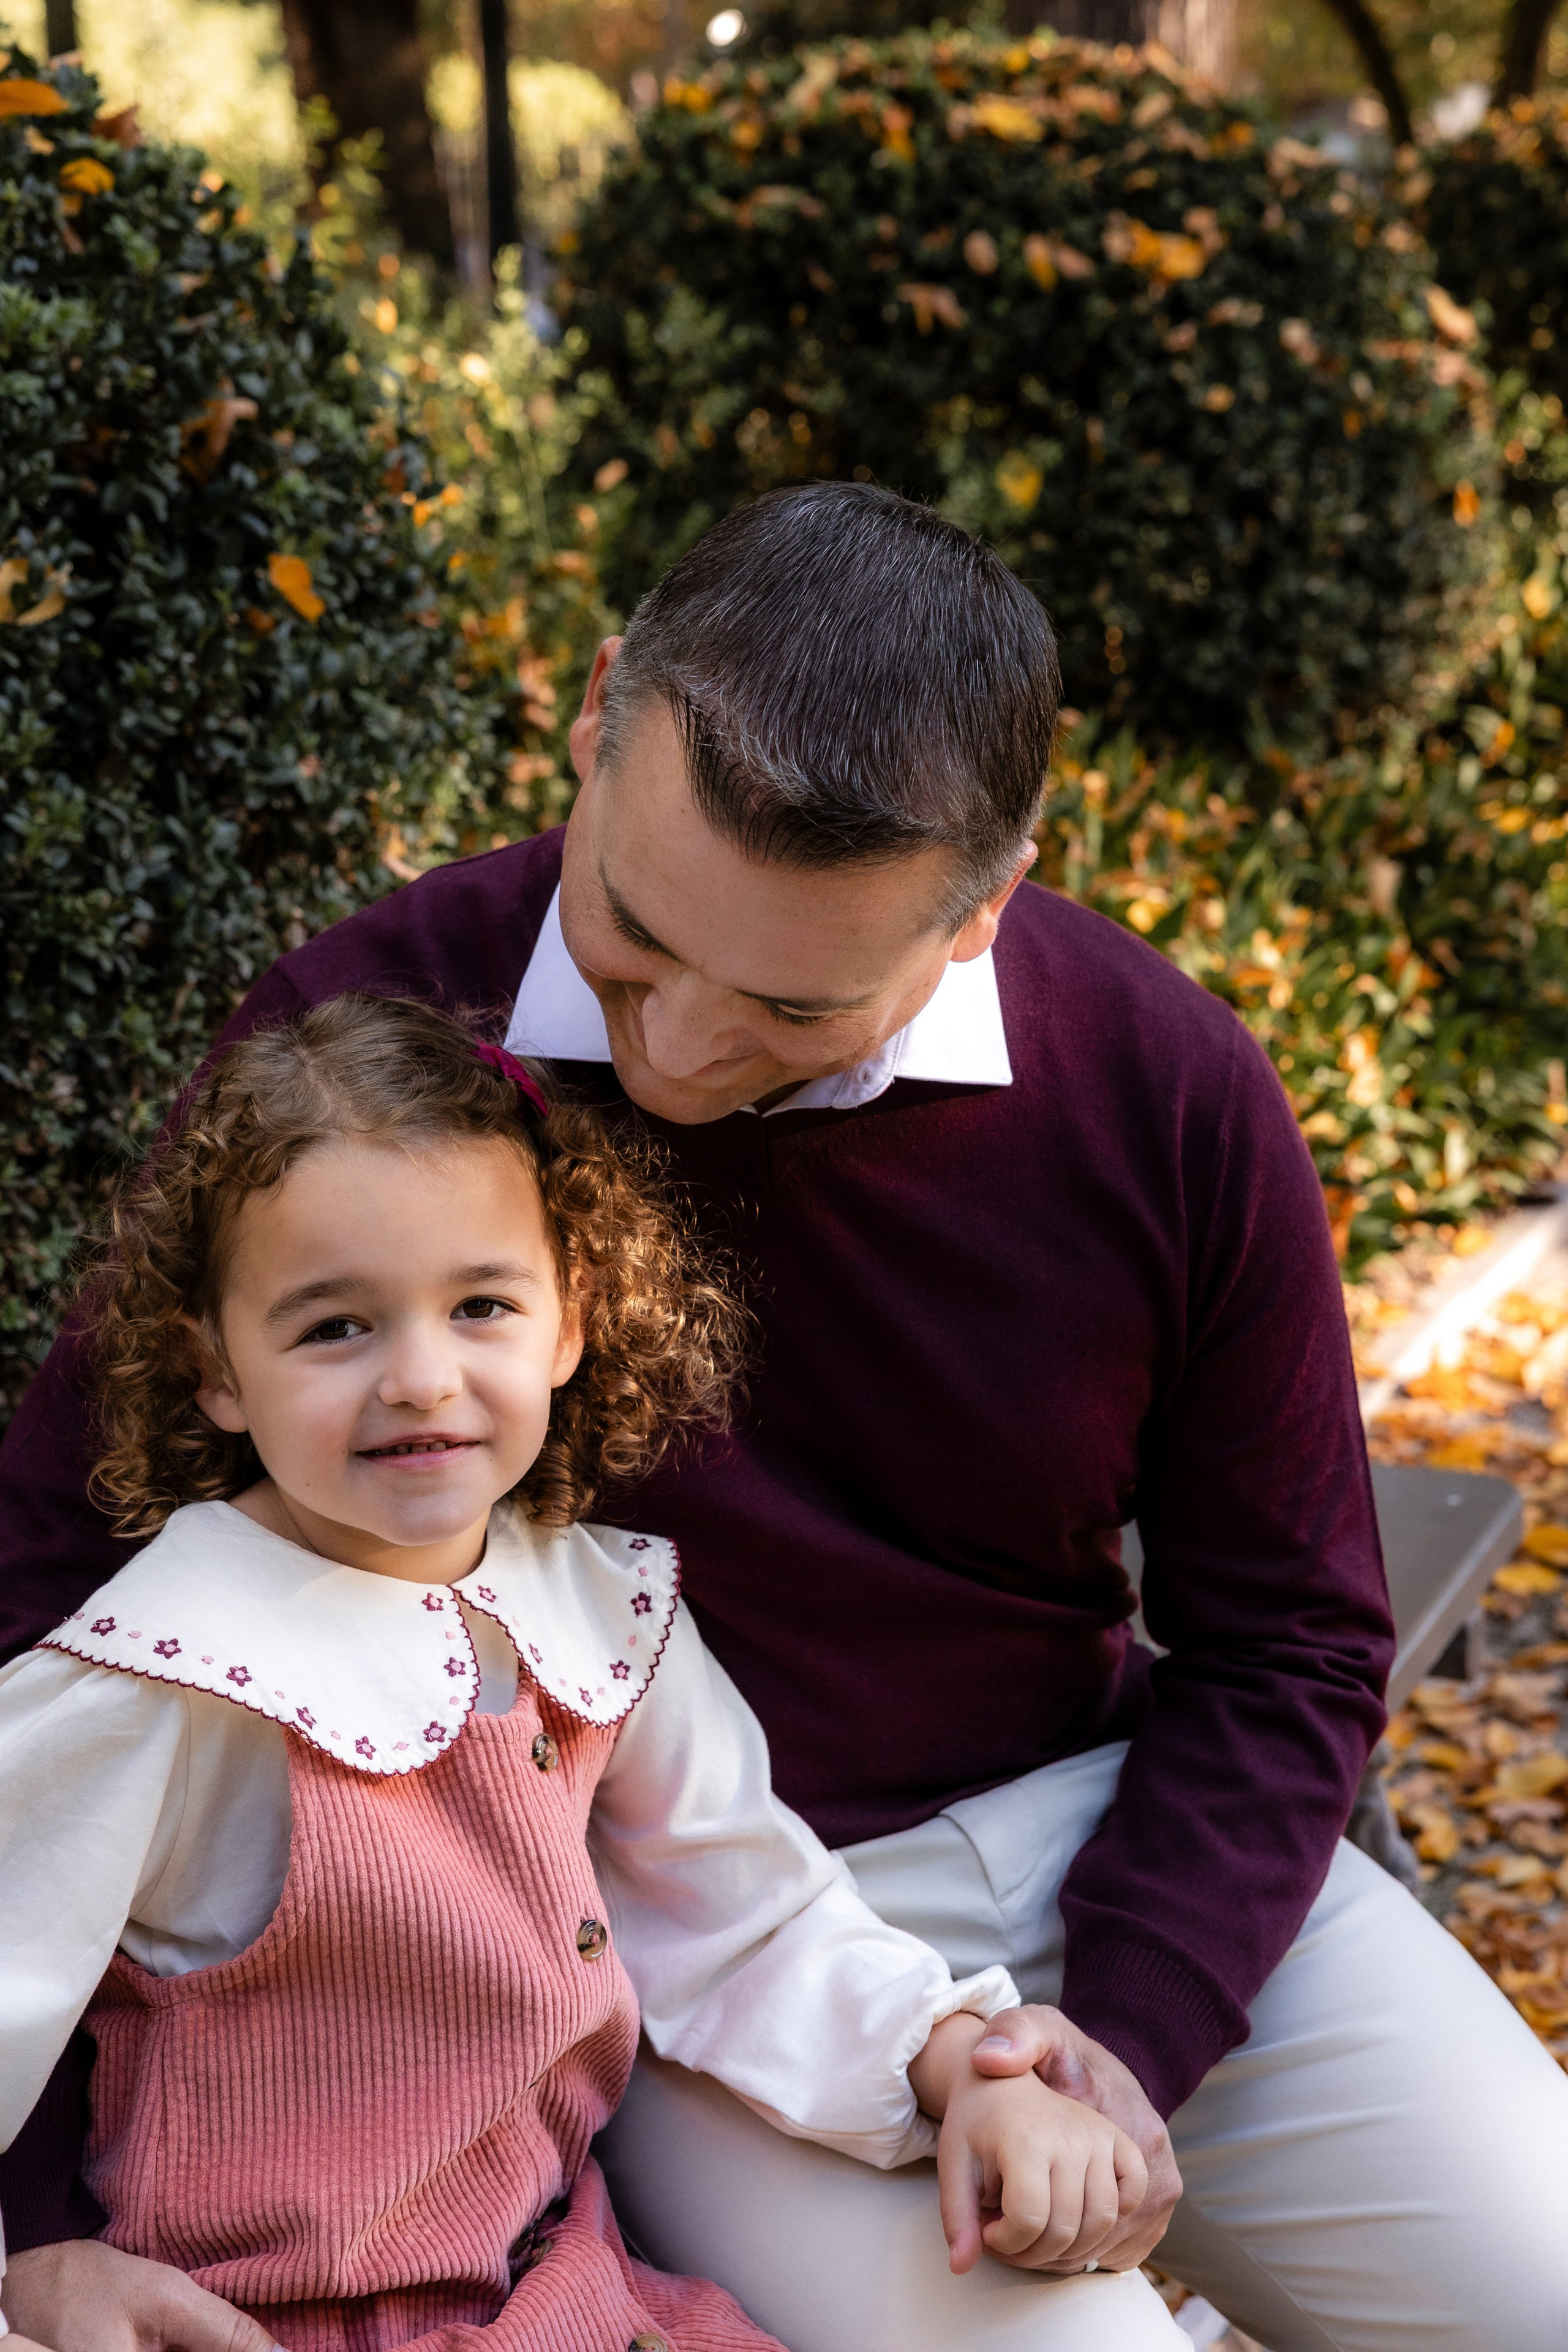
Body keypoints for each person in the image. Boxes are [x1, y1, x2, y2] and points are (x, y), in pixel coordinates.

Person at [3, 483, 1567, 2352]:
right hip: (694, 1914)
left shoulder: (1167, 1086)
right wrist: (32, 2231)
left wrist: (1126, 2035)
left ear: (985, 906)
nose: (672, 1055)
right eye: (634, 938)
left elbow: (1292, 1639)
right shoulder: (367, 1050)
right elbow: (52, 1589)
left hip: (1130, 1845)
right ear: (599, 715)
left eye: (790, 1007)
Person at [0, 991, 1159, 2352]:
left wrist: (960, 2062)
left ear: (567, 1322)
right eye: (333, 1328)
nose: (421, 1377)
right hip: (256, 2323)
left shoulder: (599, 1611)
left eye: (481, 1306)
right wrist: (28, 2277)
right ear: (217, 1371)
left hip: (561, 2294)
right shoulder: (167, 1668)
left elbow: (747, 1911)